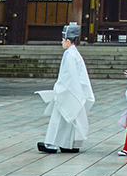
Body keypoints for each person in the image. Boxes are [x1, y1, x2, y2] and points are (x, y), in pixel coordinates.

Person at [38, 23, 94, 153]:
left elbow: (67, 76)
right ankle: (70, 144)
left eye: (63, 40)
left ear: (68, 40)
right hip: (76, 91)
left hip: (68, 90)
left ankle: (52, 144)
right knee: (70, 119)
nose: (62, 42)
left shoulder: (69, 54)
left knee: (58, 119)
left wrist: (59, 90)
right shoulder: (75, 54)